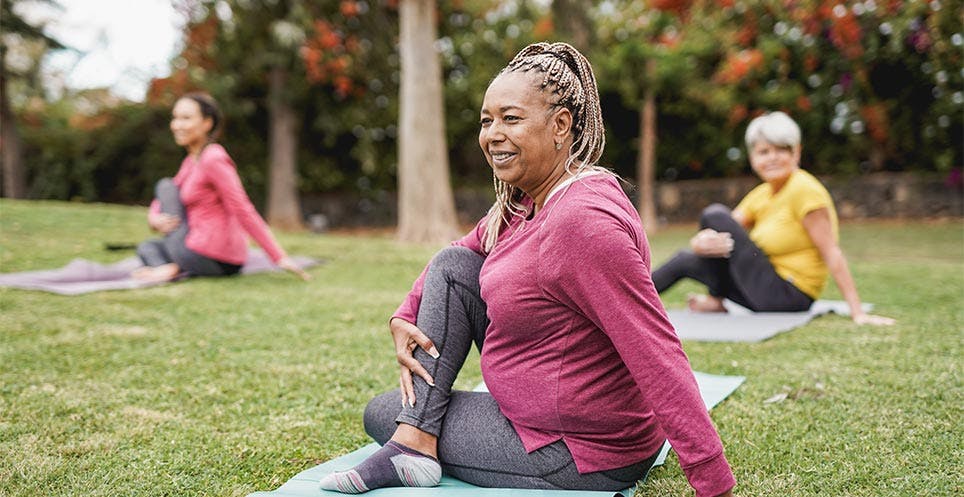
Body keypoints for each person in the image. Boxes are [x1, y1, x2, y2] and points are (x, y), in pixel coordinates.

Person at [319, 43, 736, 497]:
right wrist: (405, 312)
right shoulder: (526, 202)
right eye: (486, 120)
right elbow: (462, 252)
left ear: (560, 127)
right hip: (542, 416)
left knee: (382, 412)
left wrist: (712, 478)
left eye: (511, 118)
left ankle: (414, 442)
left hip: (579, 450)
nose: (492, 134)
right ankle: (415, 440)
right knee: (456, 267)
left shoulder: (583, 224)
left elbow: (654, 349)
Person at [651, 111, 893, 325]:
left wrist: (857, 313)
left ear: (796, 152)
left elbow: (831, 251)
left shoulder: (804, 190)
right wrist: (700, 242)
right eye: (764, 152)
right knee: (685, 259)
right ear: (753, 158)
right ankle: (625, 307)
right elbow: (725, 230)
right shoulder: (762, 194)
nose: (772, 158)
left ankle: (715, 299)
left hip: (789, 294)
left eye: (781, 150)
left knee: (713, 213)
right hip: (760, 289)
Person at [133, 92, 309, 282]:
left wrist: (278, 256)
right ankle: (172, 268)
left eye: (186, 118)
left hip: (211, 255)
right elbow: (166, 195)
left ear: (207, 123)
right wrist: (154, 219)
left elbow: (242, 208)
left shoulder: (213, 158)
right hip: (197, 249)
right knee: (147, 247)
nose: (177, 125)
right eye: (175, 118)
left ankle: (172, 267)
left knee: (164, 185)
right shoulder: (192, 161)